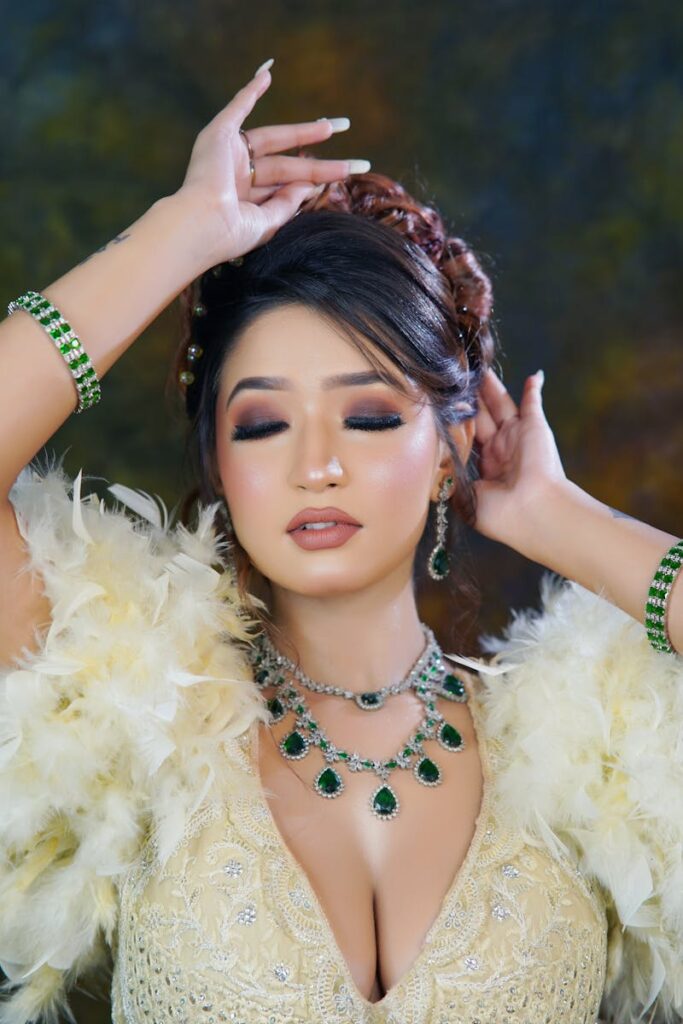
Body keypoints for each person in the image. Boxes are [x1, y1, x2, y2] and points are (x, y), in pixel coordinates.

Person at [0, 57, 681, 1024]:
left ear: (450, 447)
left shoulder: (585, 752)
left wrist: (556, 518)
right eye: (263, 425)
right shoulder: (133, 718)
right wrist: (177, 235)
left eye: (366, 417)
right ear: (219, 465)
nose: (315, 464)